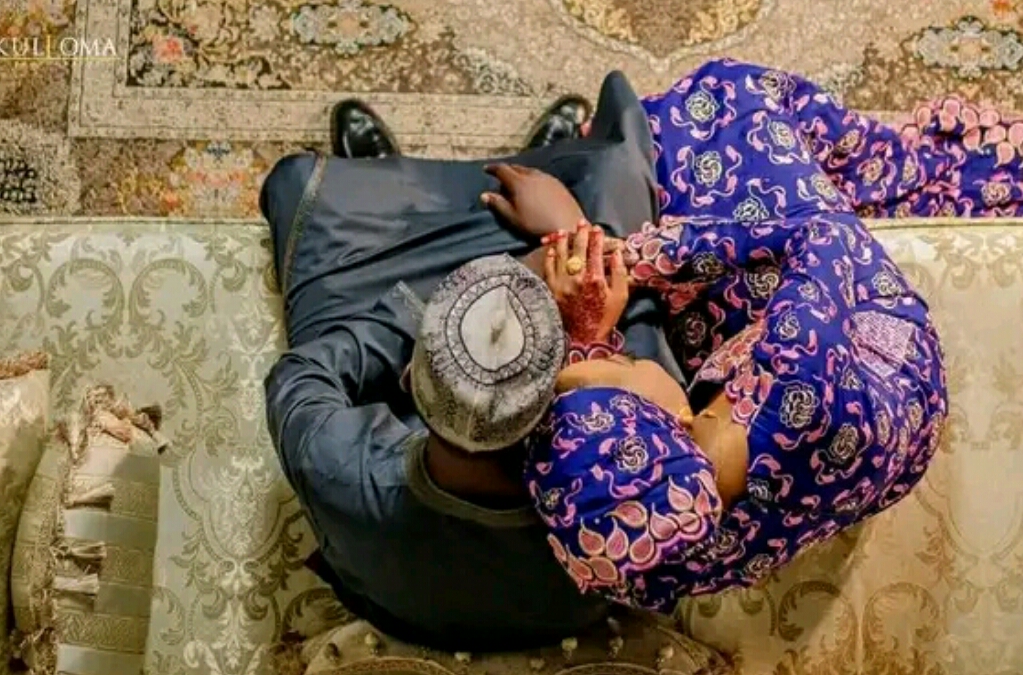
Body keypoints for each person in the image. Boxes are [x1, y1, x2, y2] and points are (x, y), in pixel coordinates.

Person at [485, 59, 975, 611]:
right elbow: (826, 239)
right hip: (867, 330)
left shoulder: (644, 547)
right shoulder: (799, 371)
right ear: (680, 418)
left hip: (793, 383)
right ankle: (594, 156)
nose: (612, 354)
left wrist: (610, 289)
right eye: (620, 365)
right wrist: (618, 250)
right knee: (730, 96)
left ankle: (593, 157)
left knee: (686, 177)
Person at [262, 74, 679, 651]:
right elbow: (641, 331)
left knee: (296, 184)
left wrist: (429, 316)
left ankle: (382, 176)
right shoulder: (623, 505)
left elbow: (298, 374)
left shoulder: (337, 465)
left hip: (399, 604)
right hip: (559, 616)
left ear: (411, 379)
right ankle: (541, 167)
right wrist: (571, 240)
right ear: (568, 382)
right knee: (613, 198)